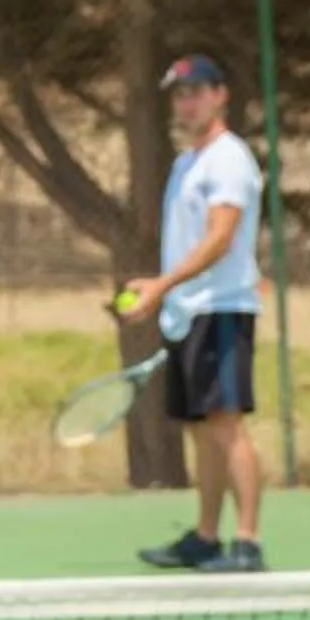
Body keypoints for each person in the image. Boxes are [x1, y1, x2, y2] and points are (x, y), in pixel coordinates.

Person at [126, 53, 269, 574]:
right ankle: (207, 537)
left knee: (226, 426)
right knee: (201, 429)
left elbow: (221, 237)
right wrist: (161, 293)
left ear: (220, 95)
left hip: (222, 310)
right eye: (180, 95)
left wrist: (162, 286)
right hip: (188, 313)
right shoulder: (187, 162)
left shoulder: (229, 159)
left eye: (197, 91)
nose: (187, 102)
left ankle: (248, 543)